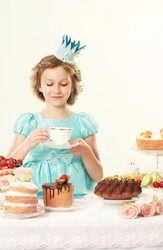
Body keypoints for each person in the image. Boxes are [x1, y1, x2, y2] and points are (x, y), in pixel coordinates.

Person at [8, 35, 103, 197]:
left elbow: (98, 176)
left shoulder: (82, 123)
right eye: (49, 84)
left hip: (75, 199)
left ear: (72, 86)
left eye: (64, 84)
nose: (57, 90)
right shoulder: (29, 123)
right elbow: (6, 170)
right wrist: (28, 144)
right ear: (39, 86)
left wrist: (86, 152)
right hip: (36, 198)